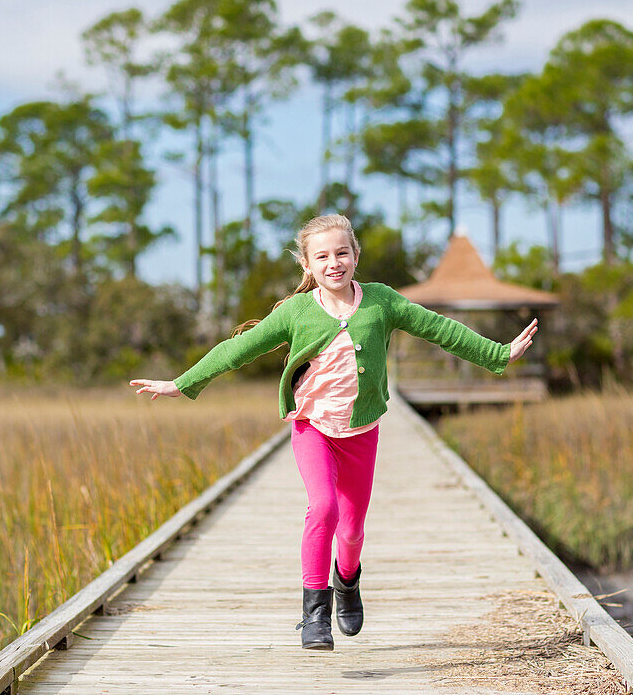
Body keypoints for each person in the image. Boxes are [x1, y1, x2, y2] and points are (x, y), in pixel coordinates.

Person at [129, 213, 537, 652]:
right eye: (322, 256)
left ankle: (347, 581)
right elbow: (238, 350)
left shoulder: (382, 302)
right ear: (307, 266)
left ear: (356, 256)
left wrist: (498, 353)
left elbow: (438, 328)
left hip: (361, 431)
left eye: (342, 253)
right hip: (312, 426)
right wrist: (182, 382)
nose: (334, 263)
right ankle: (314, 613)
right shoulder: (296, 311)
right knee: (322, 507)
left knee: (353, 529)